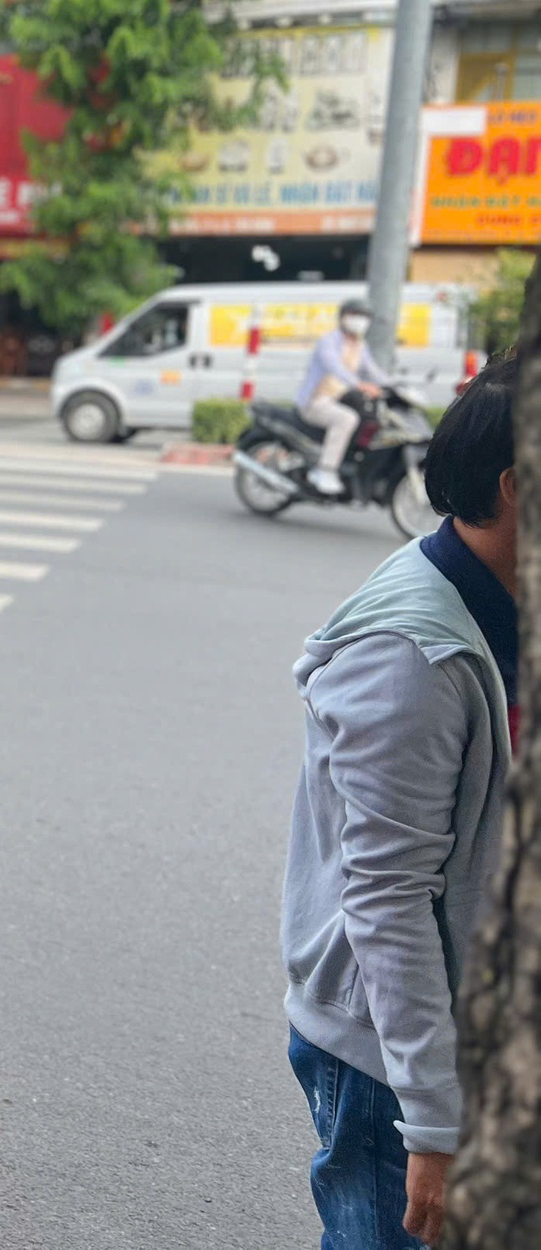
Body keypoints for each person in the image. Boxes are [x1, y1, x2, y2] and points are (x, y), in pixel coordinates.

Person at [281, 351, 520, 1250]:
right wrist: (434, 1124)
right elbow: (386, 900)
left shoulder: (501, 589)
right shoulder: (412, 661)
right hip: (396, 1058)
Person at [297, 296, 392, 496]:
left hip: (336, 400)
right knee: (347, 419)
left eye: (364, 316)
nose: (360, 320)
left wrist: (395, 385)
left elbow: (372, 371)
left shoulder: (360, 345)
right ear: (342, 317)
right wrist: (360, 385)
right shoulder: (328, 342)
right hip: (315, 401)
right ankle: (325, 470)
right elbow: (335, 368)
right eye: (354, 315)